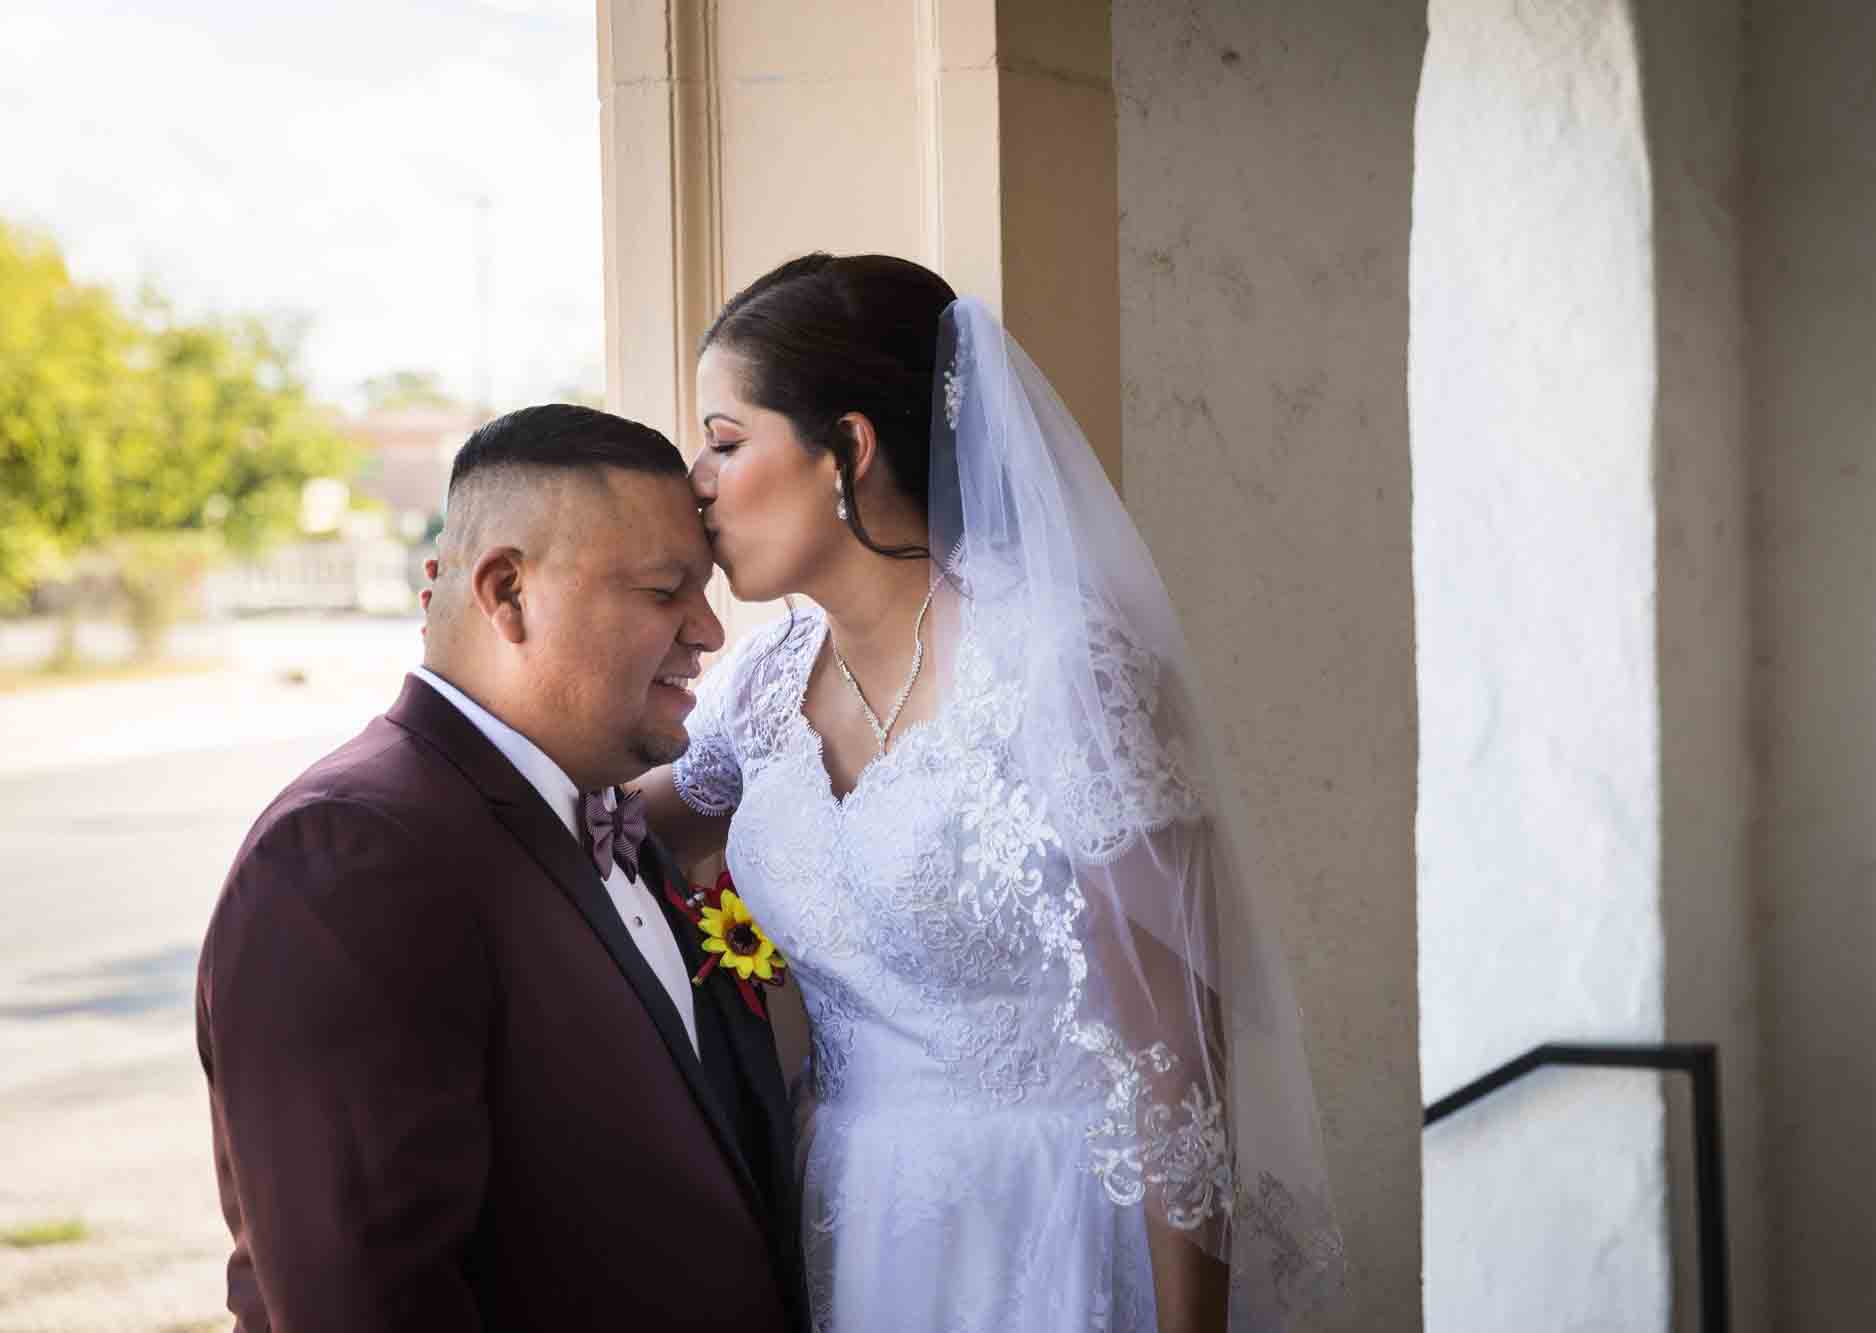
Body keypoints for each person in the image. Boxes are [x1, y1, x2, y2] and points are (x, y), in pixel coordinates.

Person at [637, 255, 1341, 1332]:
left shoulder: (1060, 667)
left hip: (1051, 1220)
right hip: (851, 1220)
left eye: (725, 442)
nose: (697, 480)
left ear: (848, 451)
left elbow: (1175, 1069)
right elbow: (611, 824)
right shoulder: (766, 685)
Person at [196, 405, 804, 1332]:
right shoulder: (349, 862)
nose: (709, 631)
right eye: (664, 590)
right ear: (507, 592)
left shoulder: (613, 818)